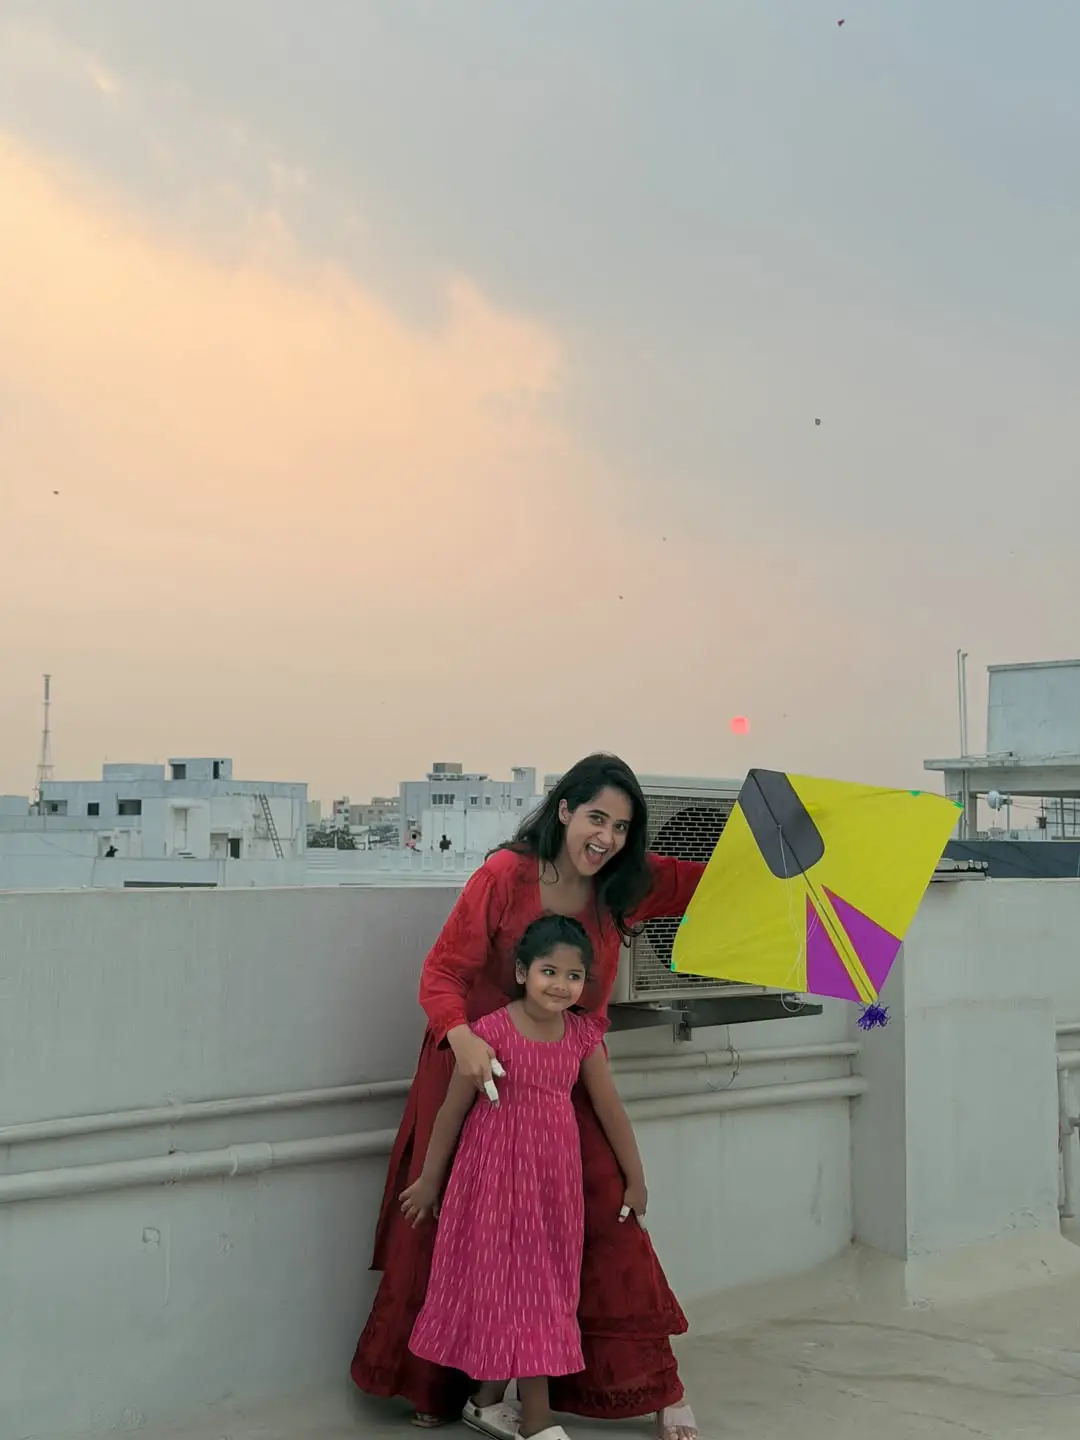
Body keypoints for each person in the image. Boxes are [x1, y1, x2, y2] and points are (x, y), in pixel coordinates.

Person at [351, 753, 705, 1440]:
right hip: (476, 1067)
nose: (606, 837)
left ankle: (655, 1387)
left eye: (622, 827)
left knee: (609, 1215)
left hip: (567, 1073)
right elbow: (442, 973)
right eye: (596, 818)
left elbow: (710, 884)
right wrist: (462, 1039)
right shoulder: (505, 877)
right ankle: (444, 1387)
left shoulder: (625, 885)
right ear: (564, 811)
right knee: (456, 1228)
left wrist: (798, 858)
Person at [403, 914, 645, 1440]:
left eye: (573, 976)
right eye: (548, 971)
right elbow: (451, 1111)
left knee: (545, 1288)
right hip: (490, 1181)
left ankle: (486, 1400)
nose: (560, 985)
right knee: (506, 1287)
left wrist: (636, 1178)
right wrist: (429, 1182)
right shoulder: (488, 1033)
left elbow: (611, 1110)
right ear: (521, 972)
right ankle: (536, 1417)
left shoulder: (582, 1037)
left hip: (553, 1185)